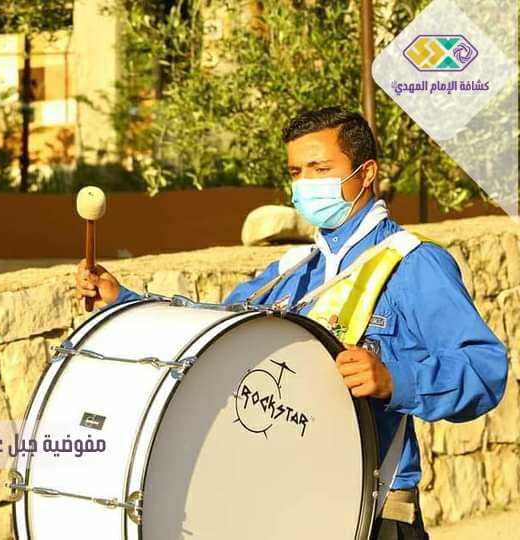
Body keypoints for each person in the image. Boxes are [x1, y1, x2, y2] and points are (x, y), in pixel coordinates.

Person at [74, 106, 508, 540]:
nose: (306, 184)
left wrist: (395, 380)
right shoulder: (293, 270)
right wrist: (123, 299)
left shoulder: (413, 263)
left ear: (366, 173)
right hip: (287, 508)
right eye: (297, 172)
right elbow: (213, 333)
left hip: (373, 513)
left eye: (321, 169)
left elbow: (485, 369)